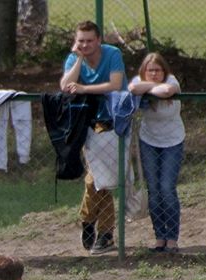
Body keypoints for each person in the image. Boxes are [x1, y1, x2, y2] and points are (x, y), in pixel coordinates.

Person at [60, 21, 127, 256]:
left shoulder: (113, 54)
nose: (85, 44)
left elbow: (116, 84)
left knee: (100, 181)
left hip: (113, 124)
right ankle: (104, 233)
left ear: (99, 40)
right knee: (98, 180)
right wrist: (78, 60)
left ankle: (90, 221)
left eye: (89, 40)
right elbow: (65, 85)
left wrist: (84, 89)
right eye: (81, 41)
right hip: (86, 125)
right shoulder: (75, 58)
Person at [128, 53, 185, 254]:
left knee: (167, 188)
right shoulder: (138, 80)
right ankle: (159, 237)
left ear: (164, 71)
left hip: (173, 141)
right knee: (153, 191)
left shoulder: (171, 80)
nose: (153, 73)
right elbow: (133, 88)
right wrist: (153, 88)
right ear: (144, 71)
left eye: (157, 70)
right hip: (149, 141)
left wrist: (150, 88)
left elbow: (169, 90)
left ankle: (172, 238)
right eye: (149, 70)